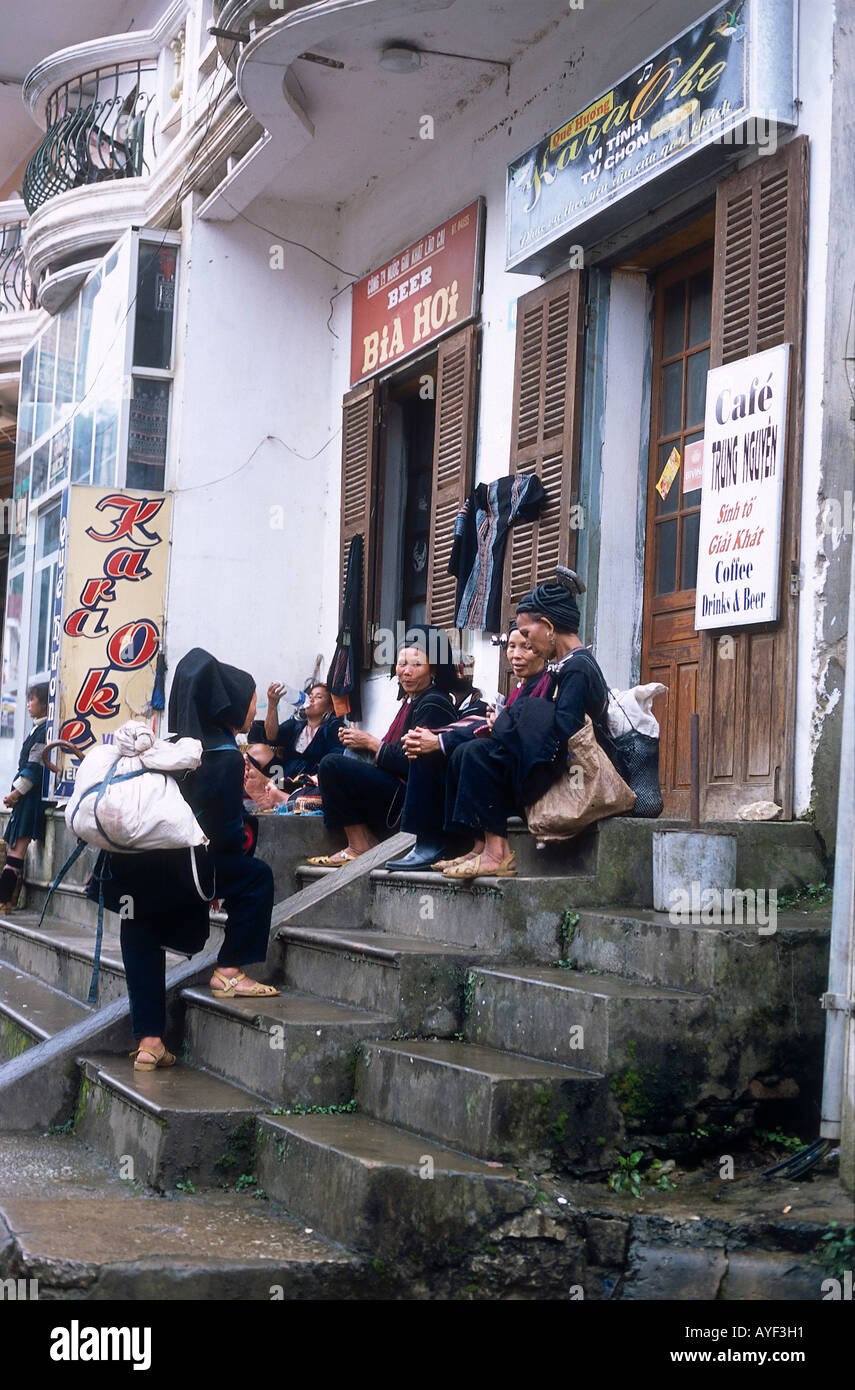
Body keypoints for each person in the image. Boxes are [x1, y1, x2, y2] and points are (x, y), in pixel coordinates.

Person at [87, 648, 277, 1073]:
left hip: (133, 868)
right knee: (257, 879)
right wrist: (226, 865)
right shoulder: (225, 753)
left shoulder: (167, 743)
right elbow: (227, 835)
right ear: (227, 704)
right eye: (251, 704)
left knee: (140, 930)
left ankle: (150, 1043)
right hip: (184, 868)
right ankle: (229, 969)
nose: (253, 712)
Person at [442, 568, 611, 880]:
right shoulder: (567, 664)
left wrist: (510, 723)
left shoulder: (577, 668)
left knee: (480, 756)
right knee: (469, 751)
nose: (527, 646)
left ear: (548, 627)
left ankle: (497, 853)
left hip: (572, 773)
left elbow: (565, 731)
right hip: (553, 761)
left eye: (528, 636)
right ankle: (484, 848)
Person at [387, 626, 552, 871]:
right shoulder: (519, 688)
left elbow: (529, 735)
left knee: (469, 752)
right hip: (509, 766)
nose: (516, 655)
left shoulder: (548, 684)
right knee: (455, 748)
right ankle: (478, 847)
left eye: (526, 647)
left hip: (531, 775)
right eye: (511, 647)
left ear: (545, 649)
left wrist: (441, 741)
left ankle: (483, 850)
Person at [308, 627, 458, 867]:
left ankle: (360, 844)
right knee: (341, 757)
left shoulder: (434, 703)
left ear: (434, 669)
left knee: (332, 766)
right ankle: (361, 839)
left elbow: (415, 764)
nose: (406, 672)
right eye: (401, 664)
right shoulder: (412, 702)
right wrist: (360, 743)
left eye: (416, 665)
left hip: (410, 798)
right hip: (395, 789)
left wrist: (370, 743)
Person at [0, 681, 49, 912]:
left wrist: (14, 793)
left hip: (29, 799)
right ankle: (7, 900)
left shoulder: (43, 731)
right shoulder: (37, 728)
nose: (29, 704)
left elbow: (34, 768)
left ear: (45, 704)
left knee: (16, 850)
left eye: (32, 699)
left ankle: (3, 900)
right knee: (13, 850)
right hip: (24, 798)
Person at [247, 682, 342, 788]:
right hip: (282, 777)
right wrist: (272, 705)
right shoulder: (297, 723)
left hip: (308, 783)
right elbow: (271, 737)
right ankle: (268, 787)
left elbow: (335, 760)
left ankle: (269, 788)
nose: (311, 699)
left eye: (318, 697)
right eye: (310, 696)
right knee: (258, 750)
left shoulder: (333, 727)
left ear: (330, 707)